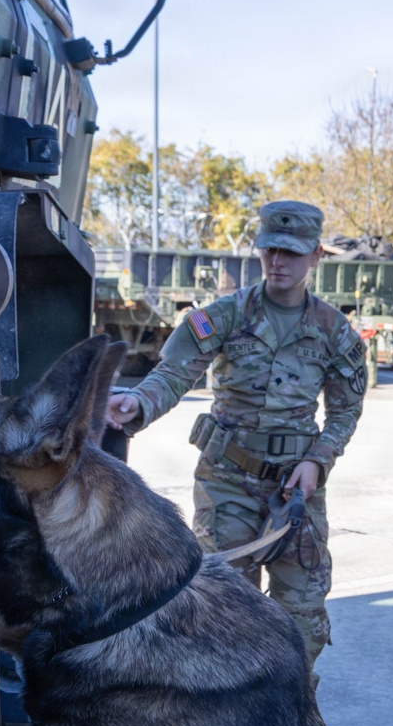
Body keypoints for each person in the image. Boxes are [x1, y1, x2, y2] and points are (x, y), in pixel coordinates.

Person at [106, 200, 367, 669]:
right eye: (270, 250)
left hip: (296, 493)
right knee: (224, 615)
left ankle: (292, 717)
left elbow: (346, 410)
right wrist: (139, 402)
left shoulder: (334, 331)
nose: (278, 262)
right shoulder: (224, 315)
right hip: (227, 482)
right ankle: (228, 720)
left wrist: (318, 460)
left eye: (291, 253)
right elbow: (174, 373)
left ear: (316, 256)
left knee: (302, 617)